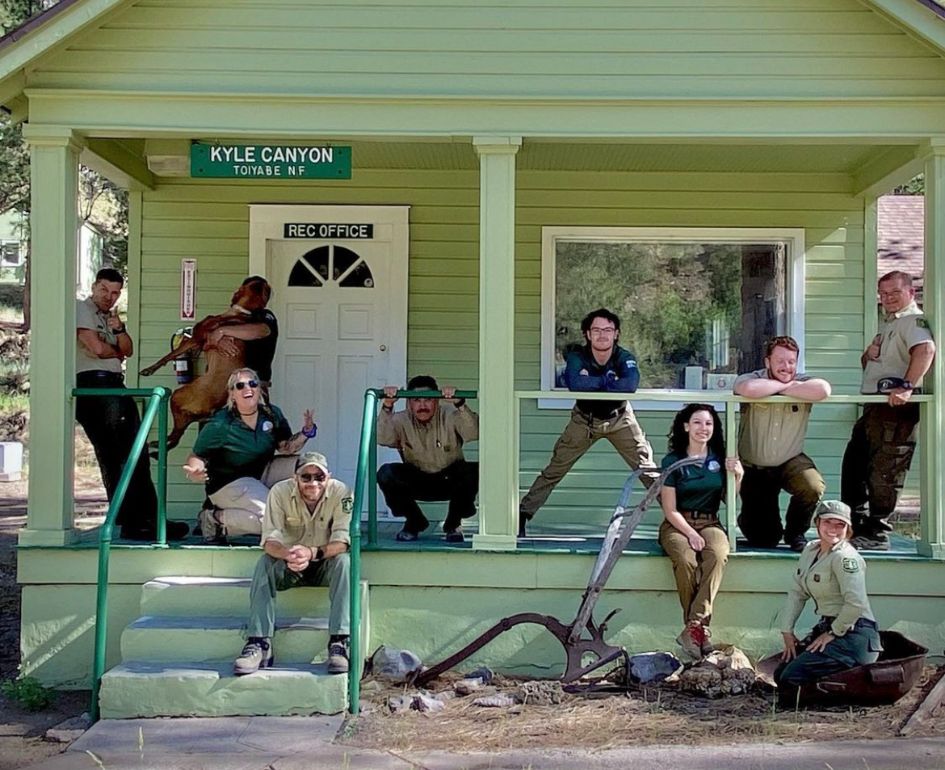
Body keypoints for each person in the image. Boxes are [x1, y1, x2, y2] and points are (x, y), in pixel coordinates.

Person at [518, 308, 657, 537]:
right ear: (587, 334)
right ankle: (522, 516)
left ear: (616, 334)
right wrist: (609, 379)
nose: (602, 335)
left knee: (648, 470)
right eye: (596, 330)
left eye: (608, 330)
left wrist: (592, 381)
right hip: (584, 420)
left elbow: (629, 386)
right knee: (555, 469)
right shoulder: (577, 357)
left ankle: (678, 517)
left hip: (620, 418)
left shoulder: (625, 357)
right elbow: (575, 383)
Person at [76, 268, 189, 541]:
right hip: (96, 384)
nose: (109, 297)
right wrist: (111, 348)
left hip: (113, 383)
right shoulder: (81, 308)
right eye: (104, 290)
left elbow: (128, 349)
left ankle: (143, 521)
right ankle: (139, 523)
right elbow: (97, 349)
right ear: (93, 287)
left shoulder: (109, 318)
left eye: (115, 293)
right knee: (124, 454)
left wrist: (119, 331)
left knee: (130, 454)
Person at [234, 451, 352, 676]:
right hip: (289, 563)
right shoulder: (279, 492)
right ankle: (259, 643)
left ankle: (340, 641)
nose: (313, 482)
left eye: (319, 477)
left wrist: (312, 552)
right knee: (264, 564)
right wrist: (289, 554)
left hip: (323, 561)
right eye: (305, 477)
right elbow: (270, 541)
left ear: (329, 477)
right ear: (295, 478)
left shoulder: (342, 492)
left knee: (344, 563)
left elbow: (343, 541)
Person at [841, 271, 936, 551]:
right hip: (875, 406)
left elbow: (926, 350)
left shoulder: (912, 321)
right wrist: (867, 354)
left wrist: (907, 385)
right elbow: (876, 365)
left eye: (894, 292)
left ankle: (877, 533)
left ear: (911, 292)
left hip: (897, 410)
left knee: (886, 471)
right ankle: (857, 528)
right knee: (855, 466)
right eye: (883, 294)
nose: (888, 298)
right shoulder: (889, 324)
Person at [183, 367, 316, 541]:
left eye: (253, 383)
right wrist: (195, 472)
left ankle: (314, 521)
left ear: (259, 388)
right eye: (240, 386)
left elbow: (286, 447)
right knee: (271, 517)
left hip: (261, 472)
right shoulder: (221, 423)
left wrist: (307, 432)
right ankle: (214, 520)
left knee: (310, 466)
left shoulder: (271, 413)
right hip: (228, 482)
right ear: (232, 394)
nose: (248, 389)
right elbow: (197, 456)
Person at [659, 404, 743, 660]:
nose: (702, 428)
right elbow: (669, 509)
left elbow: (729, 500)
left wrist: (738, 476)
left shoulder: (719, 459)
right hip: (677, 523)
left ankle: (693, 627)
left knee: (717, 554)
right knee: (686, 559)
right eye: (697, 423)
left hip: (710, 522)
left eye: (708, 423)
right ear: (686, 426)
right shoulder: (672, 461)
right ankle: (699, 630)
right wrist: (690, 534)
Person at [733, 336, 831, 552]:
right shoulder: (753, 377)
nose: (787, 367)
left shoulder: (804, 381)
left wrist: (779, 388)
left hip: (790, 460)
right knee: (764, 539)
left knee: (812, 486)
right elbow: (748, 389)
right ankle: (750, 519)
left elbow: (823, 390)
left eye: (791, 362)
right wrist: (785, 387)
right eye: (780, 361)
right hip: (754, 467)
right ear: (767, 362)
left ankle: (796, 533)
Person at [775, 500, 881, 698]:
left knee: (791, 679)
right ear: (817, 523)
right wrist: (787, 631)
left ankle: (845, 690)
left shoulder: (845, 558)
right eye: (827, 522)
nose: (833, 529)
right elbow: (797, 591)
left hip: (854, 633)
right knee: (781, 674)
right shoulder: (811, 550)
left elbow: (855, 603)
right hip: (829, 627)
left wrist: (832, 633)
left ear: (848, 528)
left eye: (840, 525)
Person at [377, 375, 479, 543]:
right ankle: (414, 522)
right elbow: (382, 438)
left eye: (428, 400)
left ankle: (453, 524)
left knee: (474, 471)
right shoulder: (400, 419)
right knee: (386, 473)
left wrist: (460, 404)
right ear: (409, 403)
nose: (422, 406)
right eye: (416, 400)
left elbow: (474, 433)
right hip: (417, 479)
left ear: (437, 401)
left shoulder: (450, 414)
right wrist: (387, 406)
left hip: (450, 479)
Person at [206, 275, 279, 391]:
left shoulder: (264, 316)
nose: (237, 293)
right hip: (219, 388)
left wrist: (223, 331)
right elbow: (206, 336)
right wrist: (217, 340)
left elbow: (260, 331)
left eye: (243, 291)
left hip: (251, 388)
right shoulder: (226, 318)